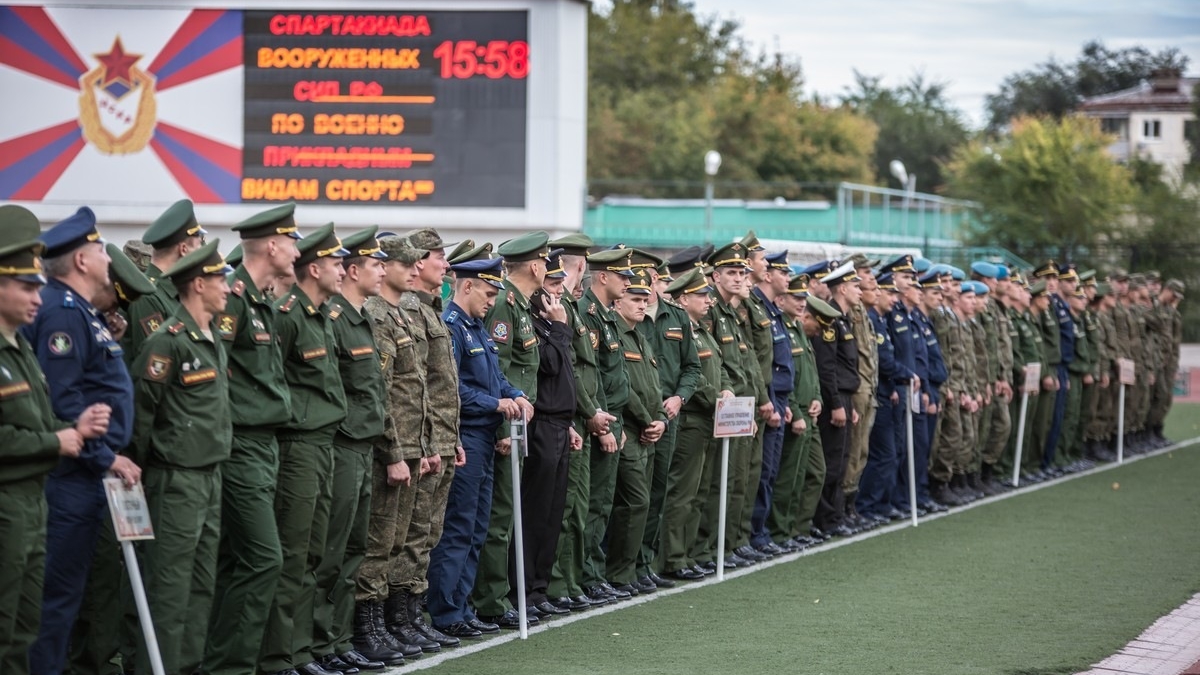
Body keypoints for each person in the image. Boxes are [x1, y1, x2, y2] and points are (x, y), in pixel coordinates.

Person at [19, 208, 142, 675]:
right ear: (83, 262)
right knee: (54, 599)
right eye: (100, 252)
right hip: (70, 475)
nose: (108, 262)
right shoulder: (63, 313)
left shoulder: (83, 313)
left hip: (84, 473)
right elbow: (63, 400)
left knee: (66, 596)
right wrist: (105, 454)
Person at [0, 205, 104, 673]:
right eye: (26, 286)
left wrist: (71, 433)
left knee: (23, 628)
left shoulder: (19, 347)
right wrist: (56, 443)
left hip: (30, 501)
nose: (37, 296)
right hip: (9, 502)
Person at [128, 240, 233, 675]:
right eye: (218, 280)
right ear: (196, 284)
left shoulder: (211, 337)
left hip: (209, 475)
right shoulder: (166, 341)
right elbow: (142, 414)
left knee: (201, 584)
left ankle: (188, 666)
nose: (226, 288)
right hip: (175, 479)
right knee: (169, 588)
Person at [203, 203, 300, 675]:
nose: (298, 249)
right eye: (293, 240)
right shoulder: (235, 298)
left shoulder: (259, 300)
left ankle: (221, 659)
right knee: (263, 559)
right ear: (273, 245)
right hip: (242, 444)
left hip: (265, 444)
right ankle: (231, 666)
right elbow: (216, 371)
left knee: (239, 561)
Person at [260, 224, 349, 675]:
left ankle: (302, 649)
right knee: (292, 554)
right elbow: (273, 381)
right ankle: (279, 657)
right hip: (297, 446)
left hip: (324, 443)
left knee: (316, 552)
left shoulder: (321, 314)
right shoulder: (288, 314)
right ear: (314, 268)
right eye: (336, 264)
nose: (342, 270)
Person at [427, 258, 531, 638]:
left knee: (476, 527)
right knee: (458, 527)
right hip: (466, 437)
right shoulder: (451, 327)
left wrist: (515, 394)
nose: (492, 301)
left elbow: (496, 377)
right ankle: (445, 610)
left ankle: (462, 603)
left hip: (485, 438)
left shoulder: (478, 330)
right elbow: (451, 390)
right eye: (488, 293)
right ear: (466, 287)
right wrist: (496, 404)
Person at [310, 227, 392, 673]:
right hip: (341, 446)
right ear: (354, 270)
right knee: (331, 551)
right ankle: (318, 642)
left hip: (364, 447)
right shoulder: (336, 318)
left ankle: (338, 639)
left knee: (355, 550)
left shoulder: (359, 317)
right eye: (375, 264)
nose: (381, 271)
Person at [353, 234, 429, 663]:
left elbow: (418, 389)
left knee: (400, 540)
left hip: (411, 445)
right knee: (380, 541)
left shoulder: (398, 315)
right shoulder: (378, 316)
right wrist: (395, 452)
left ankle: (388, 621)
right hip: (390, 449)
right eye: (405, 265)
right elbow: (380, 393)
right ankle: (367, 627)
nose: (412, 271)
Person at [391, 228, 465, 650]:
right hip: (415, 443)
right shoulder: (403, 310)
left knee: (426, 534)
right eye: (440, 256)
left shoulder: (430, 311)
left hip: (436, 440)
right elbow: (404, 390)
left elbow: (438, 385)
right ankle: (395, 620)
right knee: (405, 536)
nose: (446, 265)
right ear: (419, 262)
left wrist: (448, 437)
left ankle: (411, 615)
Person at [473, 231, 548, 628]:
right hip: (506, 423)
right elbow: (494, 368)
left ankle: (496, 595)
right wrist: (504, 426)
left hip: (519, 418)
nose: (548, 268)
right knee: (499, 515)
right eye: (545, 261)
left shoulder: (519, 304)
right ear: (534, 265)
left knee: (507, 512)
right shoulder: (503, 301)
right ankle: (490, 599)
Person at [545, 233, 614, 611]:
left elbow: (591, 373)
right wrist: (589, 413)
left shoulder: (573, 309)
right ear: (584, 267)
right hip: (569, 419)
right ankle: (556, 584)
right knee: (565, 507)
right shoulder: (566, 309)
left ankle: (569, 582)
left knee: (578, 508)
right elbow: (569, 370)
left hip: (580, 418)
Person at [514, 250, 582, 615]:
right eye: (552, 284)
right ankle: (524, 590)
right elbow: (550, 367)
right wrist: (559, 326)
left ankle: (539, 590)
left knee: (553, 513)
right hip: (539, 423)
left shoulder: (551, 325)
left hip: (559, 423)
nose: (558, 292)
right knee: (535, 512)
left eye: (560, 284)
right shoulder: (538, 324)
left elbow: (567, 378)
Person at [632, 250, 700, 588]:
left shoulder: (676, 316)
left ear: (659, 279)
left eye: (649, 277)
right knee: (632, 497)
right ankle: (624, 568)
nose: (644, 285)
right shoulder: (628, 315)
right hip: (635, 418)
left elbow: (692, 368)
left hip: (668, 417)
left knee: (658, 494)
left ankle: (645, 563)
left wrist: (679, 397)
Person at [658, 268, 732, 579]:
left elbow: (719, 367)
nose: (709, 300)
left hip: (710, 417)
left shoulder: (701, 330)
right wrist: (718, 396)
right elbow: (691, 376)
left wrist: (726, 389)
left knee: (699, 492)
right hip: (691, 417)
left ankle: (686, 554)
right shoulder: (679, 329)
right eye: (702, 295)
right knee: (682, 492)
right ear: (683, 298)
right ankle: (673, 558)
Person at [579, 248, 636, 602]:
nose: (628, 282)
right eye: (623, 276)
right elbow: (591, 375)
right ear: (602, 276)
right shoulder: (588, 315)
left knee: (602, 503)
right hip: (599, 422)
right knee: (594, 504)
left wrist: (619, 423)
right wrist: (601, 423)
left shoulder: (607, 316)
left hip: (613, 420)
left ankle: (592, 572)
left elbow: (616, 376)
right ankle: (586, 575)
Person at [606, 269, 667, 594]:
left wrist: (659, 419)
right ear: (619, 302)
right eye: (635, 299)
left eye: (646, 299)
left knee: (645, 501)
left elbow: (653, 386)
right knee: (634, 500)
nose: (642, 305)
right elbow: (623, 386)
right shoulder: (615, 331)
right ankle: (618, 572)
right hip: (629, 429)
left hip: (648, 430)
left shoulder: (640, 335)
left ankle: (632, 570)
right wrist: (646, 420)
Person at [123, 199, 206, 359]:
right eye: (197, 248)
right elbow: (156, 361)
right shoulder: (147, 296)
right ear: (183, 249)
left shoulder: (175, 292)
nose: (201, 257)